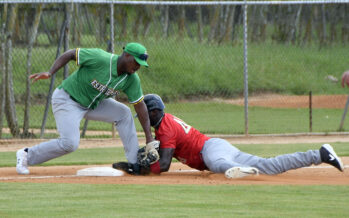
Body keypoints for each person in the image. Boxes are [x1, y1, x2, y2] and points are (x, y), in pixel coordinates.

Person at [114, 94, 344, 178]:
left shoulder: (165, 128)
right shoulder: (165, 122)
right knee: (269, 166)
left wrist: (140, 170)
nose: (143, 117)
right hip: (217, 146)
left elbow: (164, 165)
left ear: (153, 111)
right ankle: (319, 154)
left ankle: (232, 169)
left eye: (145, 113)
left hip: (211, 150)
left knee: (217, 164)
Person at [16, 43, 159, 175]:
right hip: (67, 100)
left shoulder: (132, 79)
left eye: (141, 64)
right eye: (136, 62)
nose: (138, 67)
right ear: (127, 55)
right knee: (70, 143)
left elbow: (140, 106)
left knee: (124, 113)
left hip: (92, 105)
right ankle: (26, 154)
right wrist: (50, 72)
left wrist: (149, 139)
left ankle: (134, 163)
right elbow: (71, 54)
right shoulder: (100, 58)